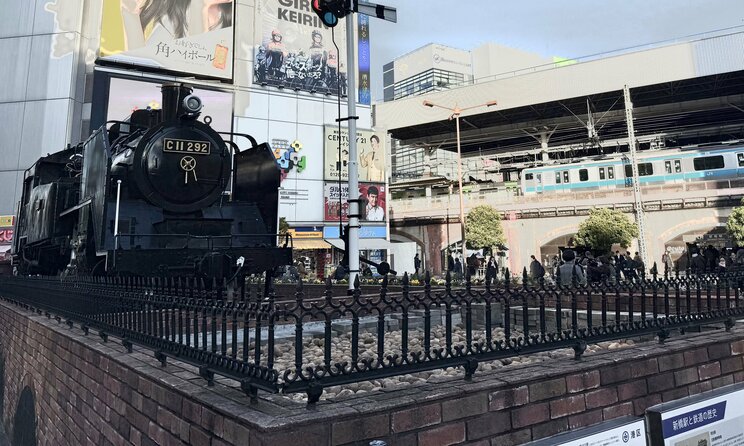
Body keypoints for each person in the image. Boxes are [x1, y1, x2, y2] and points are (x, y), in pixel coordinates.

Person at [120, 0, 232, 51]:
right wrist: (131, 16)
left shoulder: (239, 19)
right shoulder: (174, 11)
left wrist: (199, 5)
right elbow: (143, 64)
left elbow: (200, 67)